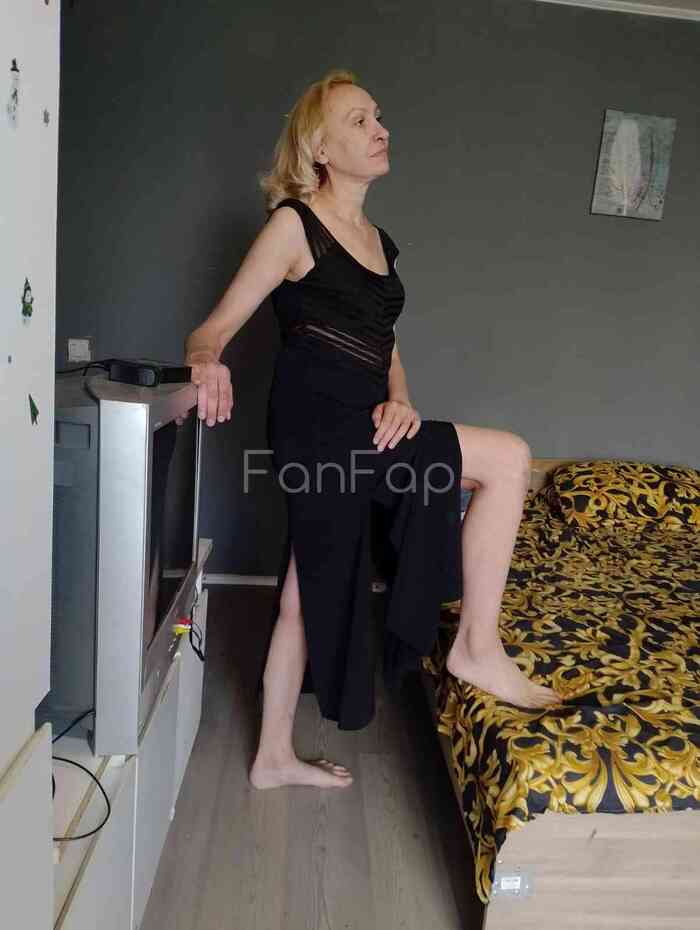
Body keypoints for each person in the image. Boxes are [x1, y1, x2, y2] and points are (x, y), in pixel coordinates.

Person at [182, 68, 561, 791]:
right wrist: (206, 363)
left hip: (368, 427)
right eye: (359, 121)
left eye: (378, 116)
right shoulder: (294, 226)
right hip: (318, 431)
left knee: (304, 592)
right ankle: (477, 647)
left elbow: (385, 344)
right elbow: (212, 329)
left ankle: (271, 758)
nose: (380, 129)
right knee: (508, 458)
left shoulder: (380, 242)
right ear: (320, 148)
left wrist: (402, 399)